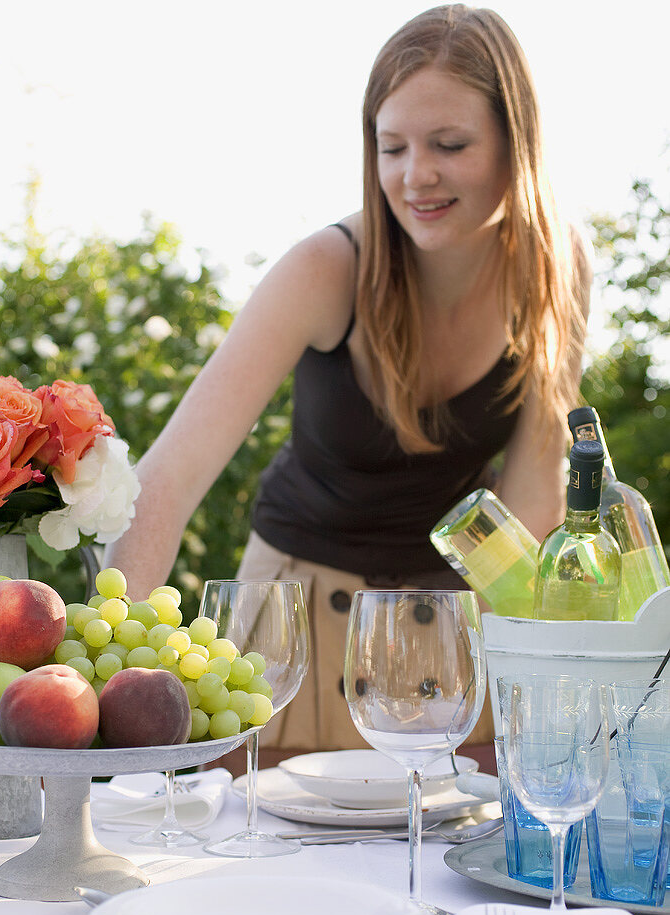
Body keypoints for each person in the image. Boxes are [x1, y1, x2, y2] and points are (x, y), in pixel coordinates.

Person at [106, 4, 591, 768]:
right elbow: (168, 478)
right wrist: (96, 670)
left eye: (450, 144)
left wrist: (536, 687)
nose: (414, 175)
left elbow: (531, 502)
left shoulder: (553, 267)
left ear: (514, 143)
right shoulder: (325, 269)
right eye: (391, 146)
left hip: (446, 626)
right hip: (295, 617)